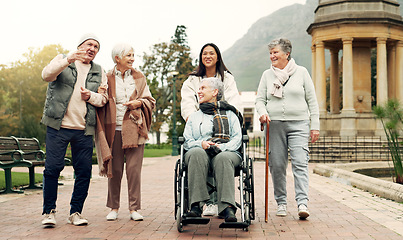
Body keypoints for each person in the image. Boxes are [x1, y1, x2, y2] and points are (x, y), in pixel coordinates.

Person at [40, 33, 108, 226]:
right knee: (52, 169)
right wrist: (67, 60)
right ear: (80, 46)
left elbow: (103, 99)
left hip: (84, 129)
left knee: (84, 172)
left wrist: (91, 97)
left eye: (96, 46)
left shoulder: (100, 71)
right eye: (89, 44)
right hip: (58, 126)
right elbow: (46, 75)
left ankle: (75, 212)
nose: (92, 48)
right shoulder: (63, 59)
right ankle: (49, 212)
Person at [255, 38, 320, 220]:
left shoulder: (302, 72)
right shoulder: (267, 75)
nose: (272, 56)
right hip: (273, 125)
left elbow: (312, 101)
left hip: (299, 123)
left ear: (287, 53)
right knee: (276, 166)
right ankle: (281, 202)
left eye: (275, 52)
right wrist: (262, 113)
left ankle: (302, 203)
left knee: (300, 163)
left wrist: (314, 126)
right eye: (271, 53)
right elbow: (260, 100)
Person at [95, 43, 155, 222]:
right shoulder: (106, 77)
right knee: (115, 171)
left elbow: (149, 100)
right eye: (128, 55)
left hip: (135, 129)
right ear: (117, 58)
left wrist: (139, 103)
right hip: (114, 131)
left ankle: (134, 209)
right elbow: (103, 99)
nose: (132, 58)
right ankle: (114, 208)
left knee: (134, 171)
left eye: (133, 55)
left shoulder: (139, 76)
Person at [180, 43, 241, 217]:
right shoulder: (195, 112)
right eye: (204, 53)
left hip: (224, 144)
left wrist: (221, 146)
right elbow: (187, 104)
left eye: (211, 53)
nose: (207, 56)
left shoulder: (229, 112)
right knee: (197, 153)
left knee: (222, 157)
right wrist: (201, 141)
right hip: (201, 137)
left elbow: (236, 137)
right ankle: (196, 205)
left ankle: (226, 207)